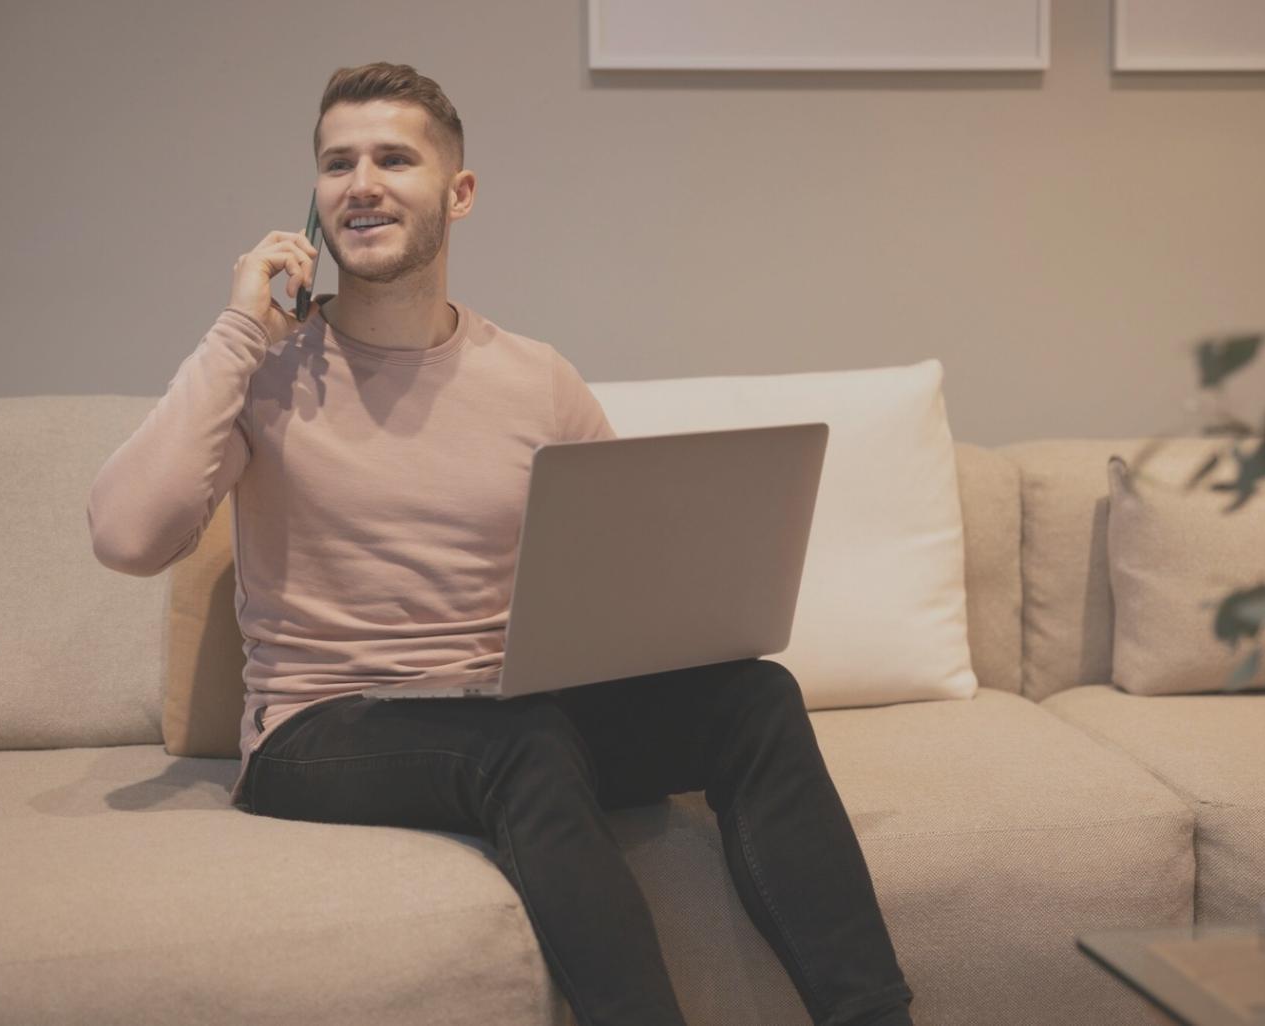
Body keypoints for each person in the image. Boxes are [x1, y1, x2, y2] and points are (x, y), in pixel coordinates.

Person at [86, 60, 915, 1026]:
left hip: (519, 712)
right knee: (522, 743)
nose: (361, 183)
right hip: (322, 729)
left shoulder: (534, 377)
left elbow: (630, 567)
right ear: (313, 203)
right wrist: (239, 329)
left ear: (459, 192)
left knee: (753, 698)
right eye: (336, 163)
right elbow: (126, 537)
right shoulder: (268, 371)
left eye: (393, 158)